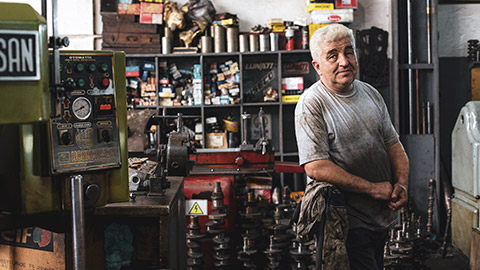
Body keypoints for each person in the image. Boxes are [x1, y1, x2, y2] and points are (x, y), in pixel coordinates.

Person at [294, 23, 409, 270]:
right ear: (317, 66)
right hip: (344, 223)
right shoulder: (312, 104)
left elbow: (394, 145)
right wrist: (371, 188)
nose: (344, 62)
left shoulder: (371, 93)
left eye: (349, 52)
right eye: (333, 56)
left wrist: (401, 183)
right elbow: (316, 167)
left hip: (380, 216)